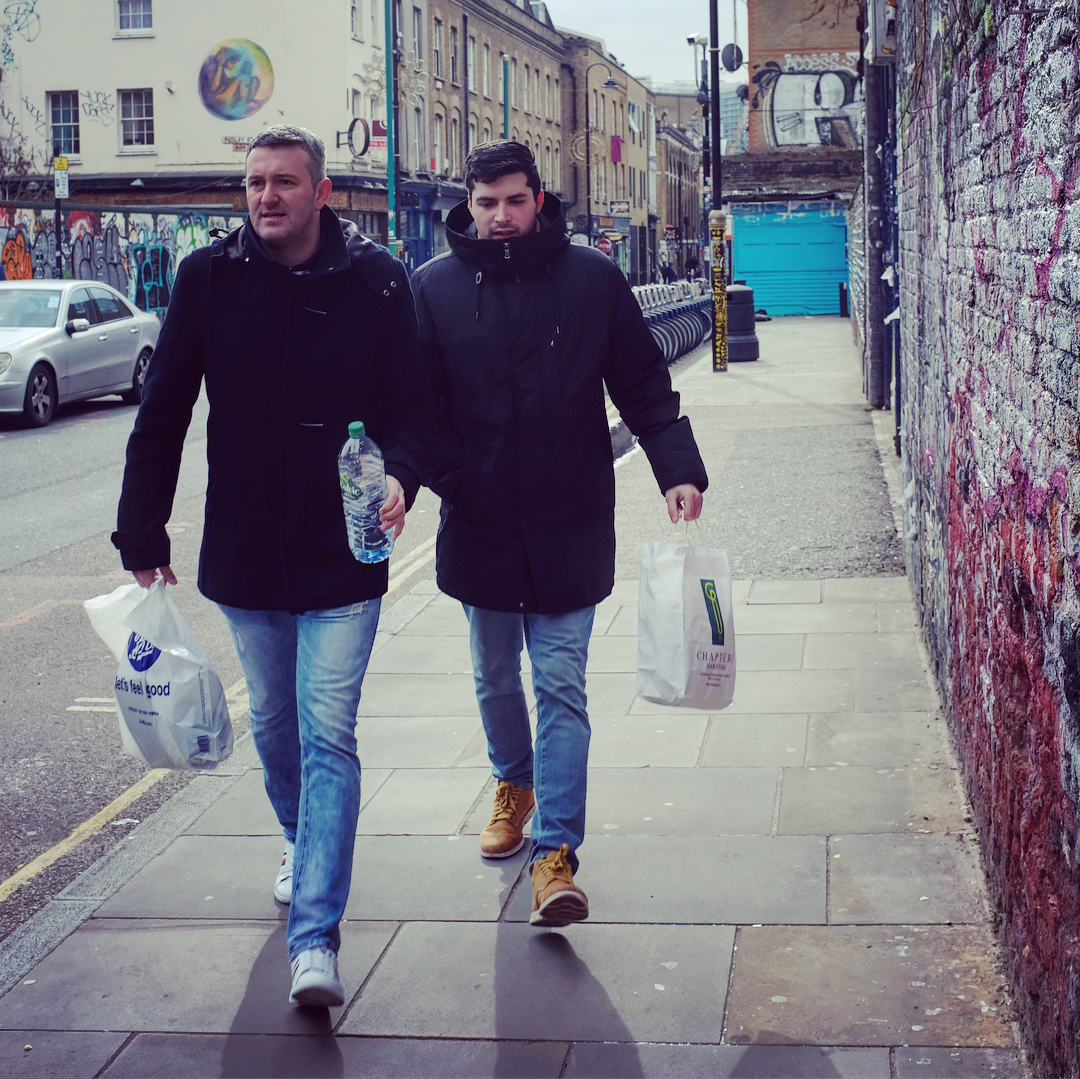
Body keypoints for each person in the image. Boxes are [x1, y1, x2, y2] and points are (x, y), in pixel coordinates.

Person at [111, 125, 434, 1007]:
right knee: (277, 725)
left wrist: (402, 476)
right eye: (255, 182)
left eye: (284, 182)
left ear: (320, 192)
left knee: (328, 732)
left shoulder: (377, 281)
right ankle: (300, 836)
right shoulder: (206, 279)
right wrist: (141, 531)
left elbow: (414, 407)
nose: (266, 197)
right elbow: (163, 410)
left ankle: (315, 940)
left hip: (345, 546)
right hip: (246, 547)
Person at [411, 140, 707, 927]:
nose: (502, 216)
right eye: (487, 203)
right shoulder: (433, 288)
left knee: (561, 684)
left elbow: (642, 383)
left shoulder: (592, 280)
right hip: (477, 521)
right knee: (493, 676)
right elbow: (415, 407)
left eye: (515, 200)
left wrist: (677, 468)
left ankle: (555, 854)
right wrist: (447, 478)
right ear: (468, 204)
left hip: (569, 515)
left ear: (538, 198)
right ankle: (514, 780)